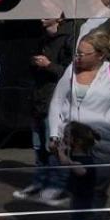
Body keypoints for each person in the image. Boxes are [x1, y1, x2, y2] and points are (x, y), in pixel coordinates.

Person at [47, 32, 110, 211]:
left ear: (100, 55)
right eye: (76, 52)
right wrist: (54, 135)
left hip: (104, 145)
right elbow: (56, 103)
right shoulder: (70, 71)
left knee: (97, 191)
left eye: (82, 54)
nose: (77, 57)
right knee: (78, 190)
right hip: (75, 143)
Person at [17, 14, 78, 202]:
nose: (41, 15)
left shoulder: (70, 38)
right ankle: (40, 181)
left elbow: (72, 73)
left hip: (55, 101)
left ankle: (57, 185)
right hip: (39, 99)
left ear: (60, 17)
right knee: (39, 147)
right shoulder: (43, 39)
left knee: (53, 146)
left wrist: (49, 65)